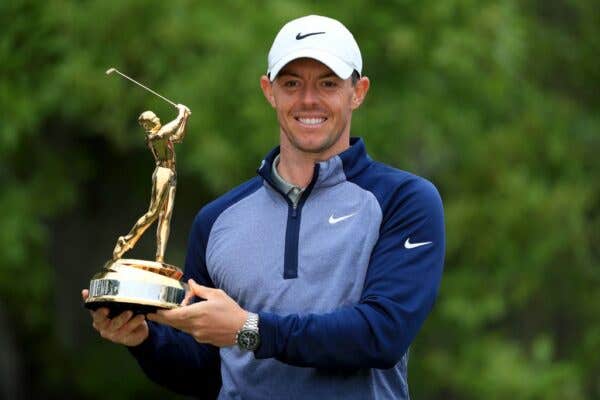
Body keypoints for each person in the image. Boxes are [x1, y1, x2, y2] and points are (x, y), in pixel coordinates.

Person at [83, 15, 445, 399]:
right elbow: (206, 371)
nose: (309, 100)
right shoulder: (218, 219)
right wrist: (144, 340)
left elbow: (381, 333)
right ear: (268, 90)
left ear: (358, 91)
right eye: (292, 83)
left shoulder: (404, 200)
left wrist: (249, 328)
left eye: (327, 83)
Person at [111, 104, 191, 263]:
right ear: (148, 125)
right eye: (154, 119)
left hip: (172, 174)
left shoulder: (162, 135)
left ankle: (160, 257)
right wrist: (181, 113)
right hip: (162, 173)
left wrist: (186, 118)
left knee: (165, 216)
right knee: (153, 212)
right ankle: (126, 241)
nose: (158, 120)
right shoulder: (156, 137)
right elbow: (171, 128)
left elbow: (179, 136)